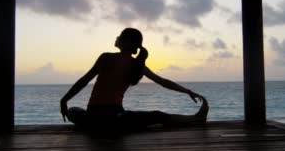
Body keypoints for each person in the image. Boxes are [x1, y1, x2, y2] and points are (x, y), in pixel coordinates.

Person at [60, 28, 209, 132]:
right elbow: (163, 82)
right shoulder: (137, 65)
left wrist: (64, 100)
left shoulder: (106, 57)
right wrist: (188, 91)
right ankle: (195, 118)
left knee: (73, 110)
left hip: (93, 119)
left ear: (126, 41)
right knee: (157, 116)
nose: (116, 38)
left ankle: (99, 126)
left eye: (119, 35)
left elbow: (84, 81)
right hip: (116, 120)